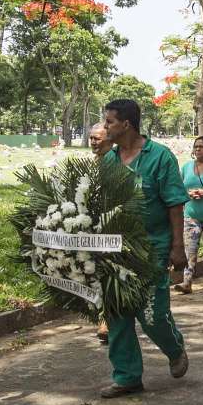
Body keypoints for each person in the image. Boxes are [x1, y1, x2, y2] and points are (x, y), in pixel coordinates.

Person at [98, 99, 190, 398]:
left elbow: (175, 203)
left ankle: (173, 346)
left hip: (153, 249)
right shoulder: (109, 160)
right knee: (117, 313)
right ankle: (127, 376)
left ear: (126, 125)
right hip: (115, 251)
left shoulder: (160, 157)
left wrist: (179, 247)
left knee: (151, 314)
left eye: (109, 121)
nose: (105, 127)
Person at [175, 136, 203, 294]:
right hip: (191, 215)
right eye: (196, 146)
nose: (198, 149)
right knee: (190, 249)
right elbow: (179, 188)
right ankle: (187, 282)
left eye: (201, 146)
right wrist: (188, 194)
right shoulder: (186, 167)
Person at [88, 124, 113, 344]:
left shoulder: (118, 163)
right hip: (93, 229)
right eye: (91, 139)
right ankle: (103, 318)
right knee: (96, 275)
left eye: (98, 138)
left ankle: (106, 319)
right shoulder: (90, 164)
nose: (94, 142)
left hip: (115, 229)